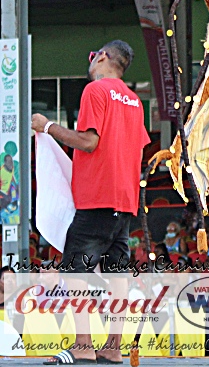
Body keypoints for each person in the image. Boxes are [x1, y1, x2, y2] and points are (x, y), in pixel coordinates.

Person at [31, 40, 150, 366]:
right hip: (123, 201)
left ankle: (83, 346)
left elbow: (89, 141)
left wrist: (49, 127)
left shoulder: (95, 91)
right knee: (116, 275)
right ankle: (112, 347)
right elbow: (135, 151)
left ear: (102, 57)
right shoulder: (135, 102)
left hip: (96, 198)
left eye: (91, 57)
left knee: (75, 271)